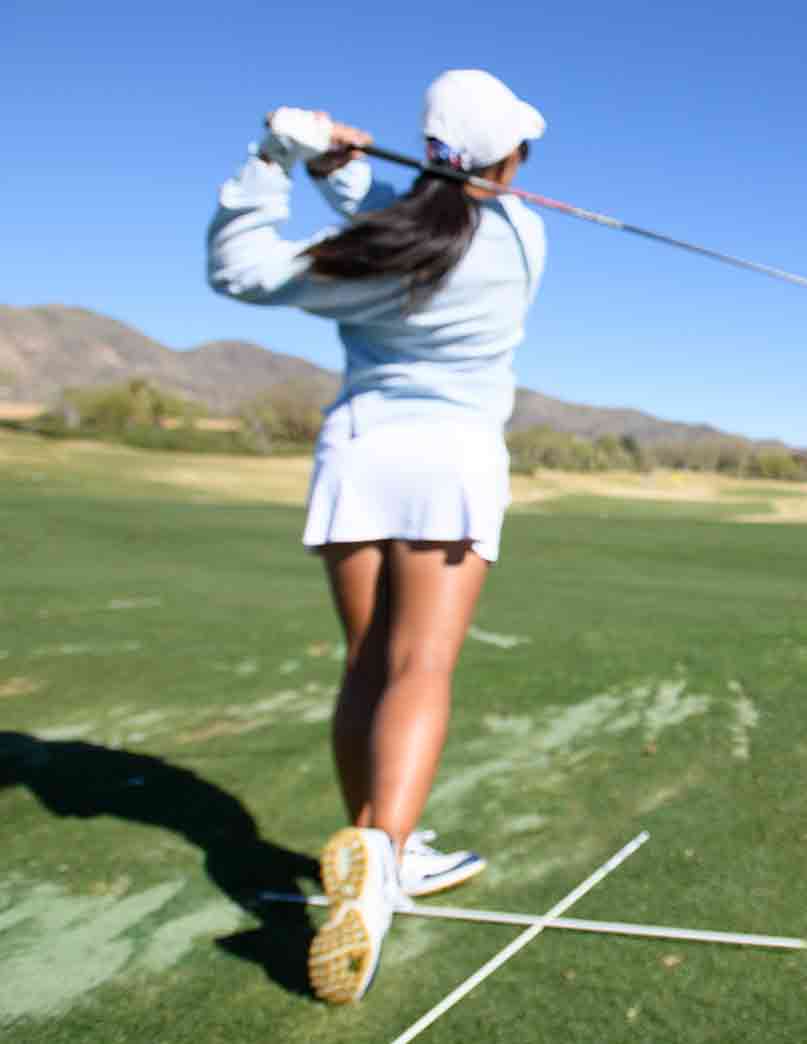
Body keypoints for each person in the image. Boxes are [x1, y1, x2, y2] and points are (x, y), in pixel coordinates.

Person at [206, 69, 547, 1004]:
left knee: (365, 662)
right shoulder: (523, 238)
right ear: (508, 160)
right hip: (452, 462)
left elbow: (241, 268)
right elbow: (420, 220)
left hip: (360, 454)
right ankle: (384, 868)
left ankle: (374, 836)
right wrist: (333, 167)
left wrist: (280, 159)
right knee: (420, 668)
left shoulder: (366, 252)